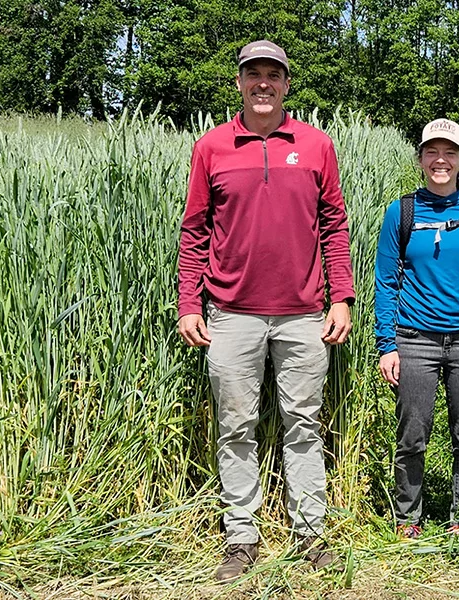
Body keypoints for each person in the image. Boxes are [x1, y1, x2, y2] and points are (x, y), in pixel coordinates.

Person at [177, 39, 355, 581]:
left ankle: (309, 534)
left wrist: (342, 297)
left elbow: (333, 226)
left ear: (285, 84)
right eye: (252, 74)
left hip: (304, 314)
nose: (262, 83)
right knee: (236, 426)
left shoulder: (315, 145)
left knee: (304, 424)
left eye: (272, 75)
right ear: (238, 82)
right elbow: (195, 230)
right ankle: (241, 537)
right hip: (231, 314)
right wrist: (190, 302)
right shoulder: (212, 148)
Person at [373, 118, 459, 539]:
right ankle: (407, 519)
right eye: (432, 151)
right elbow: (386, 280)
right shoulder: (402, 212)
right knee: (412, 436)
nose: (440, 160)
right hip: (415, 342)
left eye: (449, 152)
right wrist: (387, 344)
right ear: (420, 159)